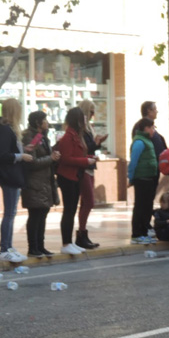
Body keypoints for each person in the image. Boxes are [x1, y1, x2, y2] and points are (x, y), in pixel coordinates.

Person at [0, 99, 31, 263]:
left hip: (12, 175)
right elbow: (2, 155)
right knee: (9, 213)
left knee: (11, 213)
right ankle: (4, 248)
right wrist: (21, 156)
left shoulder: (9, 130)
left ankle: (8, 246)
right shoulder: (5, 130)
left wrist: (24, 150)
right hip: (9, 176)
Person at [55, 107, 96, 255]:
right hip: (67, 176)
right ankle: (66, 243)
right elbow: (66, 159)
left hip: (75, 175)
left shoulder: (76, 136)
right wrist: (86, 161)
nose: (85, 121)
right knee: (69, 210)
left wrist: (88, 159)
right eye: (82, 118)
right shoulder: (68, 137)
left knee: (72, 210)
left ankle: (70, 242)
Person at [21, 111, 60, 258]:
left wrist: (53, 158)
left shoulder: (43, 137)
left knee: (43, 213)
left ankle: (41, 246)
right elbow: (32, 162)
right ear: (38, 122)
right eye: (45, 120)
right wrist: (51, 158)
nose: (47, 122)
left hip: (45, 182)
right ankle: (33, 247)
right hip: (34, 183)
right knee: (35, 214)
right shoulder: (30, 137)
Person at [76, 99, 107, 249]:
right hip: (83, 168)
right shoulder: (81, 129)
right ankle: (81, 233)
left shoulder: (88, 128)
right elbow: (84, 148)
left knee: (87, 203)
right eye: (91, 112)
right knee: (88, 201)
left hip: (89, 166)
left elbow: (89, 147)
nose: (93, 115)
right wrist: (96, 143)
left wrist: (98, 142)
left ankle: (83, 233)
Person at [128, 117, 158, 244]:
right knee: (140, 206)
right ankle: (136, 234)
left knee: (146, 206)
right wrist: (131, 177)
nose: (153, 130)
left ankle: (144, 232)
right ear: (146, 128)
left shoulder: (146, 140)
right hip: (142, 178)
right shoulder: (140, 142)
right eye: (152, 127)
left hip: (149, 177)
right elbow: (133, 161)